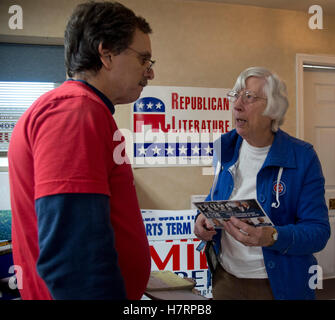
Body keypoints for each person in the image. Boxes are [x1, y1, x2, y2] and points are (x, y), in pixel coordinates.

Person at [8, 1, 155, 300]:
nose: (149, 73)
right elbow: (74, 257)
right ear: (107, 53)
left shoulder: (84, 110)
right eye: (143, 59)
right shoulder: (75, 112)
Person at [194, 66, 330, 300]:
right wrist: (200, 222)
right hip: (226, 280)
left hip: (279, 287)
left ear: (273, 110)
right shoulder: (223, 148)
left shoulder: (302, 156)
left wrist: (273, 237)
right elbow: (214, 199)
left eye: (249, 97)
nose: (237, 104)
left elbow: (318, 232)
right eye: (235, 95)